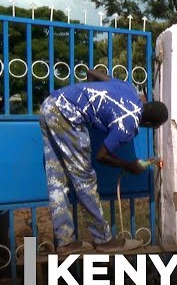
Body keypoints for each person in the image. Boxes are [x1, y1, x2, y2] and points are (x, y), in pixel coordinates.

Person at [39, 68, 168, 255]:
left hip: (50, 105)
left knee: (57, 179)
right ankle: (103, 239)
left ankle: (65, 241)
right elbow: (101, 156)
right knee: (85, 178)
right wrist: (128, 165)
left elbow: (92, 73)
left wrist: (92, 103)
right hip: (67, 116)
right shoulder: (128, 124)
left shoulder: (129, 89)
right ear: (148, 125)